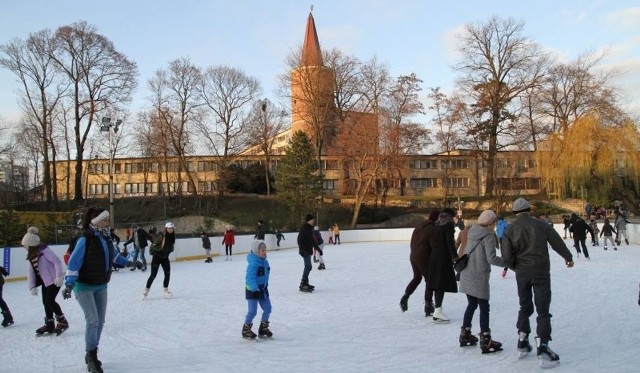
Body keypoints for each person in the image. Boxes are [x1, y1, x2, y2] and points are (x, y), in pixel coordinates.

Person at [501, 198, 574, 369]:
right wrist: (568, 257)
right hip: (541, 271)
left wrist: (517, 268)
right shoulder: (541, 225)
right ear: (529, 209)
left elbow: (506, 257)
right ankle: (543, 347)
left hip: (522, 273)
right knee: (543, 310)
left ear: (514, 213)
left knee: (524, 306)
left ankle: (523, 338)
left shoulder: (509, 230)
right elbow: (557, 242)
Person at [63, 207, 132, 373]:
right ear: (96, 221)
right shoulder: (85, 239)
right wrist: (69, 283)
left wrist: (129, 262)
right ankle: (91, 356)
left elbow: (114, 256)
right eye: (105, 220)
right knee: (92, 319)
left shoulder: (106, 238)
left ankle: (92, 351)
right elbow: (74, 262)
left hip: (101, 285)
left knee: (100, 322)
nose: (108, 222)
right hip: (84, 286)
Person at [458, 209, 505, 354]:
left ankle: (465, 335)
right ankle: (486, 341)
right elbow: (491, 258)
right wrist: (507, 262)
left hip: (466, 273)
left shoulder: (471, 232)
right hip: (479, 275)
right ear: (491, 223)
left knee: (472, 304)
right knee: (484, 307)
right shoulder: (488, 236)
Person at [22, 226, 68, 335]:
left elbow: (57, 262)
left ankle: (62, 321)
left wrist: (59, 276)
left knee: (49, 300)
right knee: (45, 302)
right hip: (45, 282)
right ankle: (50, 323)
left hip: (54, 280)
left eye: (25, 244)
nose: (23, 246)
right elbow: (31, 272)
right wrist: (32, 286)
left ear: (31, 244)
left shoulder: (44, 250)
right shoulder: (30, 255)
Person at [400, 210, 439, 317]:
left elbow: (412, 242)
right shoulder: (432, 229)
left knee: (417, 278)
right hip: (423, 258)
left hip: (413, 256)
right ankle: (428, 306)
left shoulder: (418, 226)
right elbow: (433, 246)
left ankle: (405, 296)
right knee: (430, 280)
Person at [427, 207, 459, 323]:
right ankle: (438, 310)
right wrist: (455, 256)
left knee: (437, 283)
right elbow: (450, 242)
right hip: (443, 257)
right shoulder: (448, 224)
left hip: (434, 256)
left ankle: (437, 309)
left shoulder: (437, 224)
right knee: (440, 283)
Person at [242, 240, 273, 339]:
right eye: (262, 250)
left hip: (262, 289)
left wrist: (265, 285)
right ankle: (246, 329)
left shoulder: (265, 262)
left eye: (265, 250)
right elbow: (250, 278)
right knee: (252, 311)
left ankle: (263, 327)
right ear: (256, 251)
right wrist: (254, 289)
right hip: (252, 290)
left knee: (268, 308)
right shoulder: (253, 264)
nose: (265, 252)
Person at [143, 222, 176, 300]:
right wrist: (157, 251)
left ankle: (165, 291)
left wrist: (167, 252)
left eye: (172, 228)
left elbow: (170, 248)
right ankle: (146, 291)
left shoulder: (173, 237)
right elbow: (154, 243)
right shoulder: (161, 235)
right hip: (157, 257)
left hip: (165, 258)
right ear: (166, 228)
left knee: (167, 274)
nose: (170, 230)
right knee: (153, 275)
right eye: (169, 228)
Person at [297, 214, 318, 292]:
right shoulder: (304, 228)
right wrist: (301, 250)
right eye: (312, 220)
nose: (313, 221)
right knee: (308, 266)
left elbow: (312, 240)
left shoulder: (309, 229)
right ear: (309, 220)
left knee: (308, 266)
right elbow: (299, 239)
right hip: (305, 251)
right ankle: (303, 284)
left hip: (308, 250)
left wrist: (318, 249)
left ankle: (305, 283)